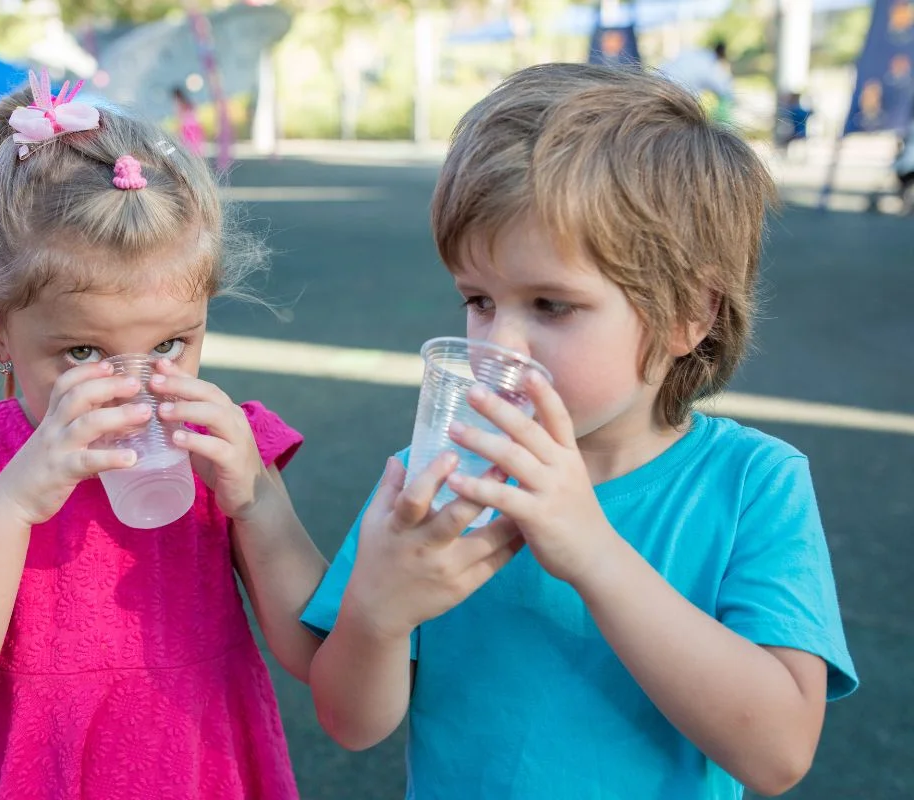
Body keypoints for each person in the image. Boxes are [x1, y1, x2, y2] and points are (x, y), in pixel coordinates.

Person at [302, 63, 857, 799]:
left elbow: (779, 752)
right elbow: (351, 723)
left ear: (690, 313)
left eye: (551, 305)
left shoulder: (754, 484)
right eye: (478, 299)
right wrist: (377, 613)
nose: (499, 345)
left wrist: (593, 553)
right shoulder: (437, 478)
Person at [0, 69, 325, 800]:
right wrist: (12, 505)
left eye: (173, 343)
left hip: (190, 768)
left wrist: (256, 504)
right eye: (84, 353)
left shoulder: (223, 450)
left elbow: (315, 654)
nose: (135, 384)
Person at [172, 85, 206, 157]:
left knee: (188, 148)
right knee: (196, 148)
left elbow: (179, 118)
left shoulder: (179, 104)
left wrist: (177, 131)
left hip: (187, 127)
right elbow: (196, 114)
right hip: (195, 126)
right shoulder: (190, 102)